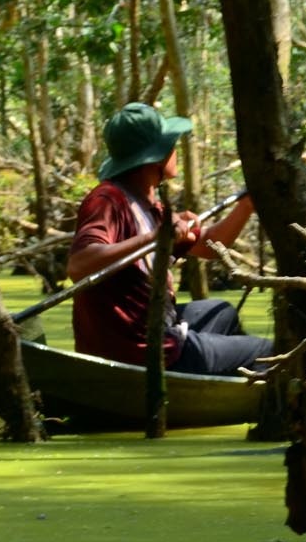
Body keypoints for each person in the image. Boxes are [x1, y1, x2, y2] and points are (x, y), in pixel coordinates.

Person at [67, 102, 270, 376]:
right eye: (170, 144)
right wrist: (157, 237)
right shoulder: (108, 200)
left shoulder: (150, 205)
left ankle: (207, 386)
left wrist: (245, 205)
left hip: (152, 329)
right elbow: (79, 266)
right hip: (139, 349)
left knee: (221, 311)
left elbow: (210, 245)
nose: (175, 151)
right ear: (156, 157)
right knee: (268, 353)